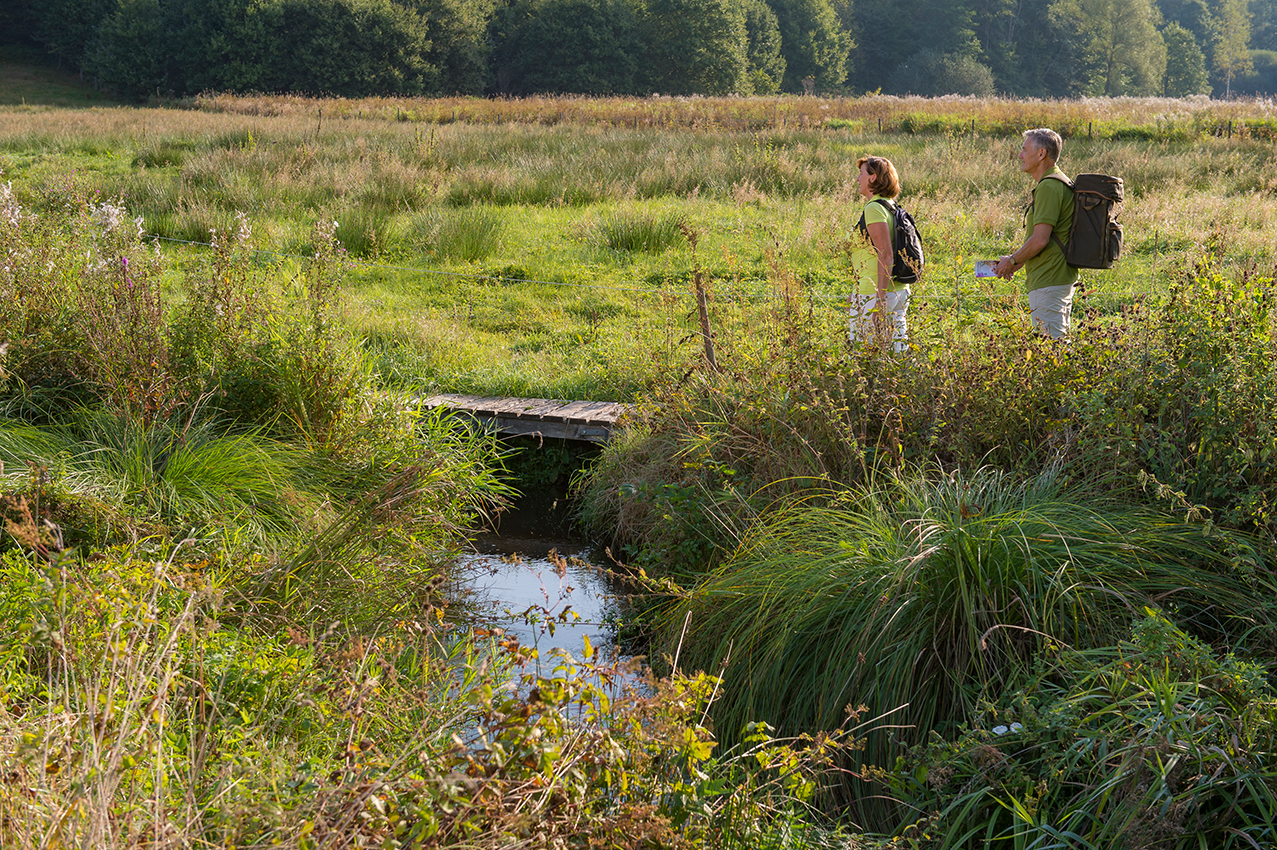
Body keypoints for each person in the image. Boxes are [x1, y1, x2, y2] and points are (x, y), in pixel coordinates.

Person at [992, 128, 1078, 339]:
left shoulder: (1049, 186)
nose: (1020, 156)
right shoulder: (1058, 182)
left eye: (1024, 150)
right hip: (1055, 278)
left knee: (1051, 352)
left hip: (1049, 281)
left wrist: (1011, 261)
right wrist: (1014, 263)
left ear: (1041, 154)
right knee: (1056, 347)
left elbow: (1040, 240)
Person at [849, 155, 909, 352]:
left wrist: (879, 300)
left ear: (872, 178)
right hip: (898, 290)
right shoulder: (891, 206)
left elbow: (886, 255)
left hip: (875, 292)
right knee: (897, 353)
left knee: (863, 353)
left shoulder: (874, 208)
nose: (858, 179)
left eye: (861, 174)